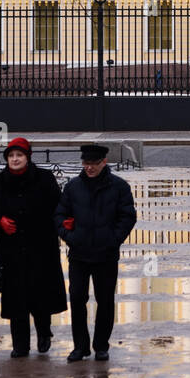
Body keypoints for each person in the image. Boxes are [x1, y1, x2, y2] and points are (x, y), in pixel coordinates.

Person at [0, 137, 66, 357]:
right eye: (11, 156)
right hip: (11, 249)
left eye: (19, 155)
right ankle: (20, 345)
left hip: (41, 247)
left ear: (27, 157)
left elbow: (58, 207)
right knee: (16, 298)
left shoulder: (45, 179)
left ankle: (44, 333)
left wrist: (61, 226)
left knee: (40, 295)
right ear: (7, 159)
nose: (15, 159)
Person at [55, 143, 137, 362]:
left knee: (105, 300)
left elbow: (128, 216)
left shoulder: (119, 187)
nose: (89, 168)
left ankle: (101, 345)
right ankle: (80, 347)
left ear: (104, 163)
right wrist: (68, 235)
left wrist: (113, 239)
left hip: (105, 254)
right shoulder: (73, 187)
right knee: (77, 298)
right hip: (79, 254)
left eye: (93, 163)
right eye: (85, 163)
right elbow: (59, 214)